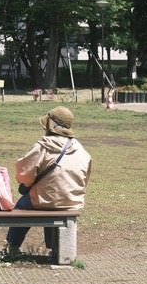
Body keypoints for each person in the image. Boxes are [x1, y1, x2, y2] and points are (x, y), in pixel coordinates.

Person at [6, 106, 92, 256]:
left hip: (45, 200)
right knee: (51, 201)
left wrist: (27, 183)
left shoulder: (44, 145)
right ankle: (54, 249)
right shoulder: (81, 150)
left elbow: (23, 173)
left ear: (50, 125)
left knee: (23, 205)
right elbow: (85, 178)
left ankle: (12, 246)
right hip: (72, 201)